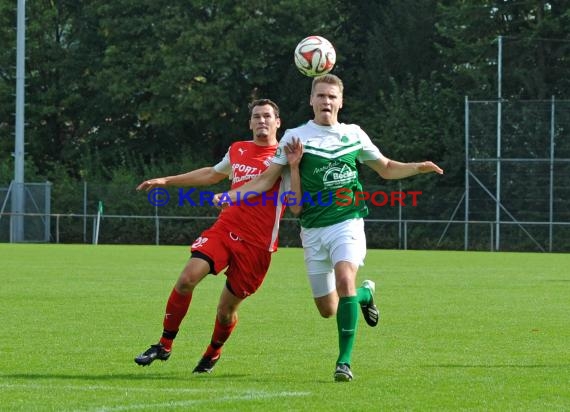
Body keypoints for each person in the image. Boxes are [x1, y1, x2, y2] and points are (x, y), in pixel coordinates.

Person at [215, 74, 443, 382]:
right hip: (312, 229)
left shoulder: (354, 134)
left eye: (332, 96)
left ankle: (343, 362)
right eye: (321, 96)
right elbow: (266, 180)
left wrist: (417, 167)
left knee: (345, 278)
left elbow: (386, 168)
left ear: (341, 101)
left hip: (347, 221)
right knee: (328, 309)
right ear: (311, 100)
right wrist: (231, 195)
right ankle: (365, 295)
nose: (326, 102)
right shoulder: (295, 137)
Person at [134, 98, 290, 373]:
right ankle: (164, 345)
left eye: (267, 116)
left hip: (258, 245)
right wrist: (166, 181)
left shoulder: (286, 157)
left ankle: (213, 352)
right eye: (256, 116)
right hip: (225, 230)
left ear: (278, 122)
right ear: (250, 122)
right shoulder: (238, 149)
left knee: (225, 311)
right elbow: (211, 174)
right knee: (186, 280)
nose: (262, 121)